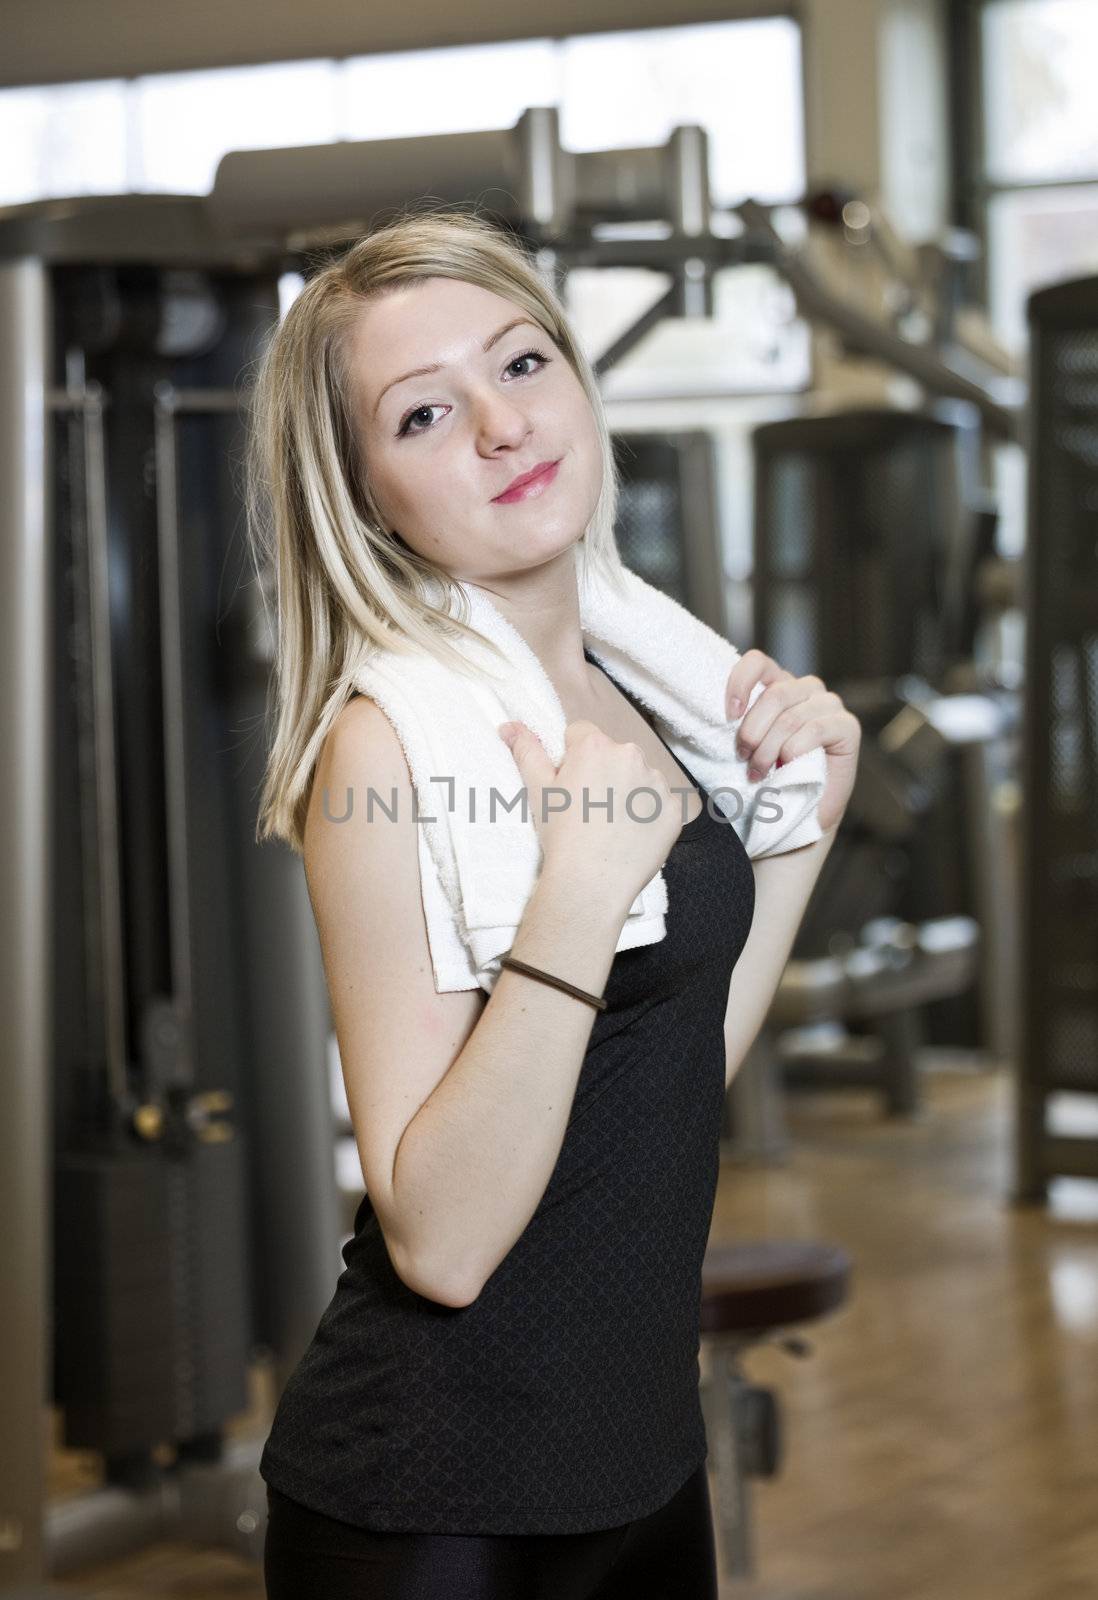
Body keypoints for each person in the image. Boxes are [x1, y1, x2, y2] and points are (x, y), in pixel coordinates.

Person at [248, 207, 861, 1599]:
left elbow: (667, 1075)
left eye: (521, 366)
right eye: (423, 414)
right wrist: (575, 895)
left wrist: (798, 819)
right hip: (436, 1506)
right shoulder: (384, 746)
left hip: (641, 1462)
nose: (502, 427)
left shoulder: (643, 696)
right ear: (361, 497)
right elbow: (443, 1242)